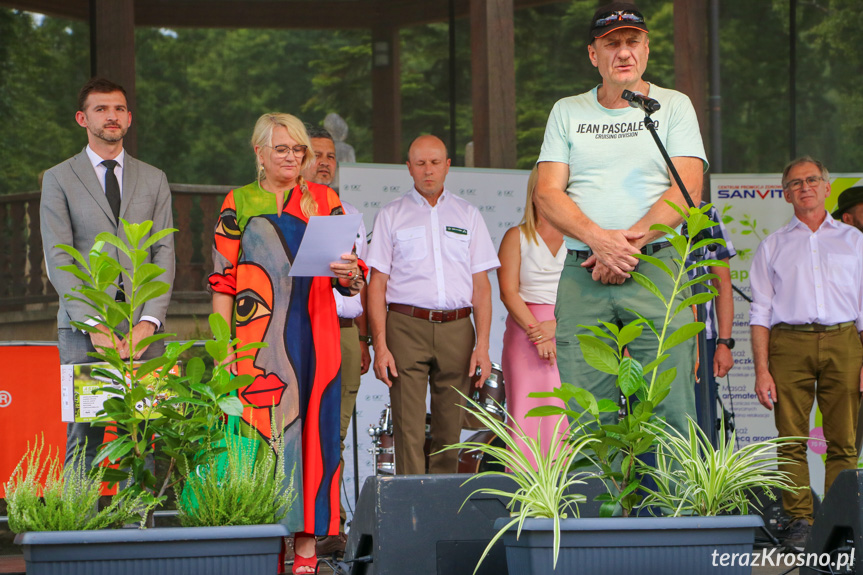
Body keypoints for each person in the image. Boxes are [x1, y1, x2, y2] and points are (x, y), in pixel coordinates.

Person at [533, 1, 707, 433]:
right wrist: (600, 242)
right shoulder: (567, 111)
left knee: (670, 406)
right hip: (583, 272)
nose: (623, 52)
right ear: (594, 55)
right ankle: (598, 503)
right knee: (588, 412)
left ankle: (673, 504)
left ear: (646, 49)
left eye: (632, 42)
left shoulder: (674, 105)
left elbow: (687, 189)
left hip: (655, 267)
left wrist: (624, 248)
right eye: (612, 44)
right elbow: (547, 194)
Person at [209, 113, 362, 574]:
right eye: (283, 149)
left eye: (299, 150)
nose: (293, 158)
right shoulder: (237, 202)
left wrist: (349, 274)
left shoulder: (326, 199)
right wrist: (223, 353)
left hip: (317, 337)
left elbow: (353, 283)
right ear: (259, 152)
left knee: (313, 439)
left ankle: (306, 555)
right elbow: (223, 286)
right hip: (255, 344)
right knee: (258, 444)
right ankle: (261, 549)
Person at [40, 77, 175, 469]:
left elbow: (163, 252)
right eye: (101, 109)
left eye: (118, 109)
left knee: (149, 433)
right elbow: (59, 258)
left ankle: (141, 527)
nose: (111, 116)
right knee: (86, 432)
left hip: (143, 326)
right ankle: (79, 527)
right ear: (83, 118)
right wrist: (95, 325)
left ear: (129, 118)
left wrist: (148, 323)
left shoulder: (154, 178)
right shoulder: (58, 178)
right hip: (84, 329)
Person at [367, 135, 499, 475]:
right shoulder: (391, 215)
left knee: (450, 429)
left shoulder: (468, 215)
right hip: (405, 325)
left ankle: (440, 509)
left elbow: (482, 288)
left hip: (457, 327)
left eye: (435, 162)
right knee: (408, 428)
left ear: (448, 166)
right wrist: (379, 346)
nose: (429, 171)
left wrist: (482, 346)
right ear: (408, 167)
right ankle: (411, 512)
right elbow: (376, 285)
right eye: (421, 163)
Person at [750, 156, 863, 552]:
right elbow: (760, 313)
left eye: (812, 180)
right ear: (785, 194)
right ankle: (800, 522)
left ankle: (840, 524)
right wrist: (762, 370)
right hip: (789, 343)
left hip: (845, 340)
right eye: (795, 183)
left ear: (826, 188)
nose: (805, 187)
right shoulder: (772, 246)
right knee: (790, 440)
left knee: (844, 442)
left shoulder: (855, 241)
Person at [301, 126, 370, 557]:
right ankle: (295, 523)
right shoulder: (284, 210)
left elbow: (359, 283)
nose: (324, 162)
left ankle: (330, 528)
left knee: (334, 431)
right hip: (299, 333)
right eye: (316, 154)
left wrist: (362, 339)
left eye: (330, 156)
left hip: (344, 332)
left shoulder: (351, 213)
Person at [497, 166, 566, 466]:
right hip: (524, 335)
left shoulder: (582, 239)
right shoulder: (516, 236)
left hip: (569, 330)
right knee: (526, 415)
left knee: (566, 414)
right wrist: (538, 332)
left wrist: (557, 327)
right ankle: (527, 499)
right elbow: (508, 291)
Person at [684, 203, 736, 440]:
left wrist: (724, 342)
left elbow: (721, 282)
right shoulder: (639, 203)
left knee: (702, 421)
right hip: (649, 334)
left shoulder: (706, 212)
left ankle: (702, 477)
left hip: (699, 337)